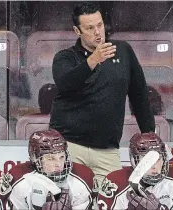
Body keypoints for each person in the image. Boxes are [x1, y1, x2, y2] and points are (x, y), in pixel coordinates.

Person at [50, 2, 155, 187]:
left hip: (108, 150)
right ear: (77, 31)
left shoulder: (123, 51)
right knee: (68, 202)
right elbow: (66, 83)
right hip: (70, 147)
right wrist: (93, 60)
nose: (98, 32)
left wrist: (150, 135)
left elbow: (139, 96)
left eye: (100, 25)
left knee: (114, 201)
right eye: (90, 28)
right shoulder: (65, 57)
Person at [97, 132, 173, 210]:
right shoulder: (115, 183)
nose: (154, 165)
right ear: (135, 161)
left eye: (158, 159)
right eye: (146, 160)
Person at [8, 129, 93, 210]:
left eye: (62, 157)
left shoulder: (81, 178)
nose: (59, 164)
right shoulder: (19, 179)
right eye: (51, 159)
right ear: (35, 158)